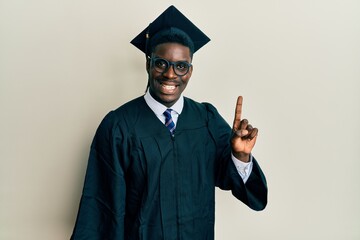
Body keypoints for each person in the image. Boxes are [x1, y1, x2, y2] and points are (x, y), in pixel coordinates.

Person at [70, 5, 267, 240]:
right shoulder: (119, 126)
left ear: (190, 72)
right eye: (161, 63)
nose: (171, 75)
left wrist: (240, 156)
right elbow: (102, 209)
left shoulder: (206, 119)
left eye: (181, 66)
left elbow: (244, 190)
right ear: (148, 64)